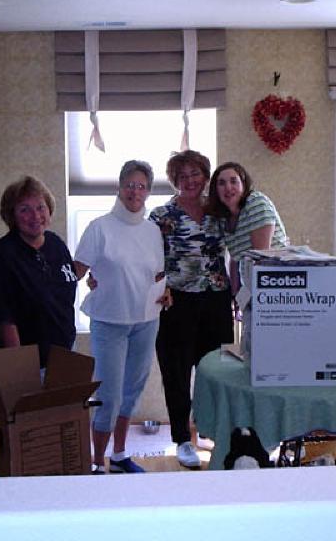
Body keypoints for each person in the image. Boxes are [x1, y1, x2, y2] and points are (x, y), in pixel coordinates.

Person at [74, 160, 170, 474]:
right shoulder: (99, 227)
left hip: (146, 320)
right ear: (119, 186)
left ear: (148, 191)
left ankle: (118, 455)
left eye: (142, 186)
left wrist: (166, 291)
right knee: (109, 395)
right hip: (109, 322)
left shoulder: (153, 230)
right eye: (130, 184)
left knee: (132, 391)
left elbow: (157, 272)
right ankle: (95, 463)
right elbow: (77, 272)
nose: (135, 191)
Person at [148, 150, 234, 469]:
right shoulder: (161, 216)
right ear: (174, 180)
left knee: (215, 371)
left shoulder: (220, 210)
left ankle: (212, 430)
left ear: (205, 175)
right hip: (176, 301)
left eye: (195, 173)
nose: (189, 181)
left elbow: (239, 248)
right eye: (182, 176)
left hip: (216, 297)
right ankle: (183, 439)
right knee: (177, 372)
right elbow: (147, 259)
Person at [0, 176, 77, 368]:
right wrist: (21, 367)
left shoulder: (56, 245)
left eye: (40, 207)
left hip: (63, 356)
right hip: (27, 364)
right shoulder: (5, 253)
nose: (35, 216)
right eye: (24, 210)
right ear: (12, 216)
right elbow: (5, 319)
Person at [207, 161, 289, 351]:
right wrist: (236, 295)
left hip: (274, 286)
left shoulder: (256, 203)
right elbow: (235, 259)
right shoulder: (224, 217)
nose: (228, 187)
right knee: (250, 346)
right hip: (251, 285)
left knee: (270, 347)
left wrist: (249, 299)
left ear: (243, 184)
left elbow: (261, 258)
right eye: (221, 183)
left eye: (233, 181)